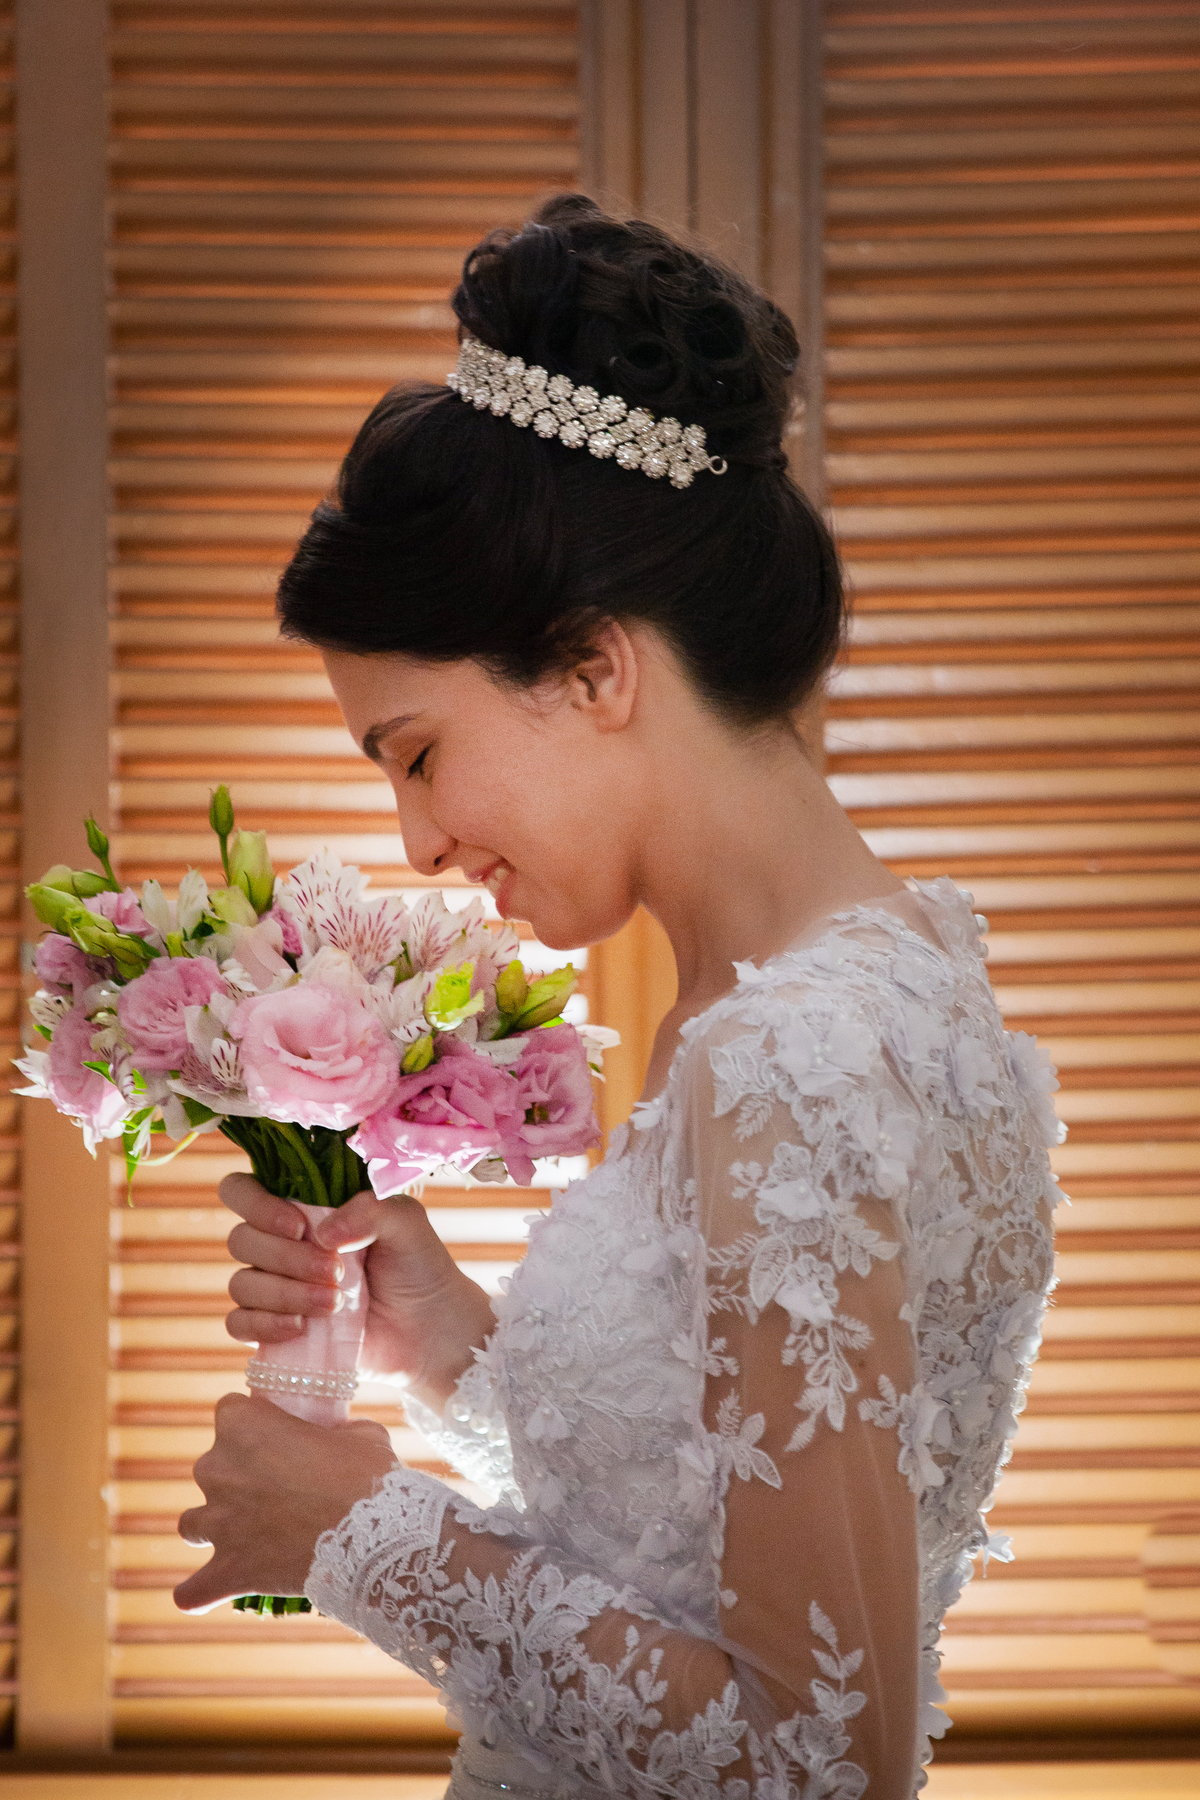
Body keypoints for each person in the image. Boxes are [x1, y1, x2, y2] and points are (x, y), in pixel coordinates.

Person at [174, 195, 1060, 1799]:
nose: (421, 842)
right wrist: (444, 1344)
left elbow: (815, 1757)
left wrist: (358, 1533)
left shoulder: (794, 1054)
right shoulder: (818, 993)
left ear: (594, 667)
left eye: (420, 755)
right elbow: (691, 1538)